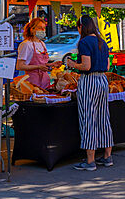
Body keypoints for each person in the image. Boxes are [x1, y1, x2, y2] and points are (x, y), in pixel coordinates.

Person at [67, 15, 114, 171]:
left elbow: (86, 66)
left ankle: (90, 160)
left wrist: (72, 64)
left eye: (78, 27)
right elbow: (107, 66)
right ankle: (107, 156)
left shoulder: (84, 42)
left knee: (88, 119)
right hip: (102, 81)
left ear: (82, 27)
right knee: (103, 118)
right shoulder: (103, 42)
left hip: (89, 81)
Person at [16, 17, 59, 90]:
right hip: (32, 82)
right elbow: (19, 66)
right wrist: (38, 67)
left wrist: (51, 65)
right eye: (40, 28)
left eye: (44, 28)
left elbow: (41, 64)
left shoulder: (42, 43)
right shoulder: (26, 44)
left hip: (45, 81)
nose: (42, 30)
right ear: (32, 29)